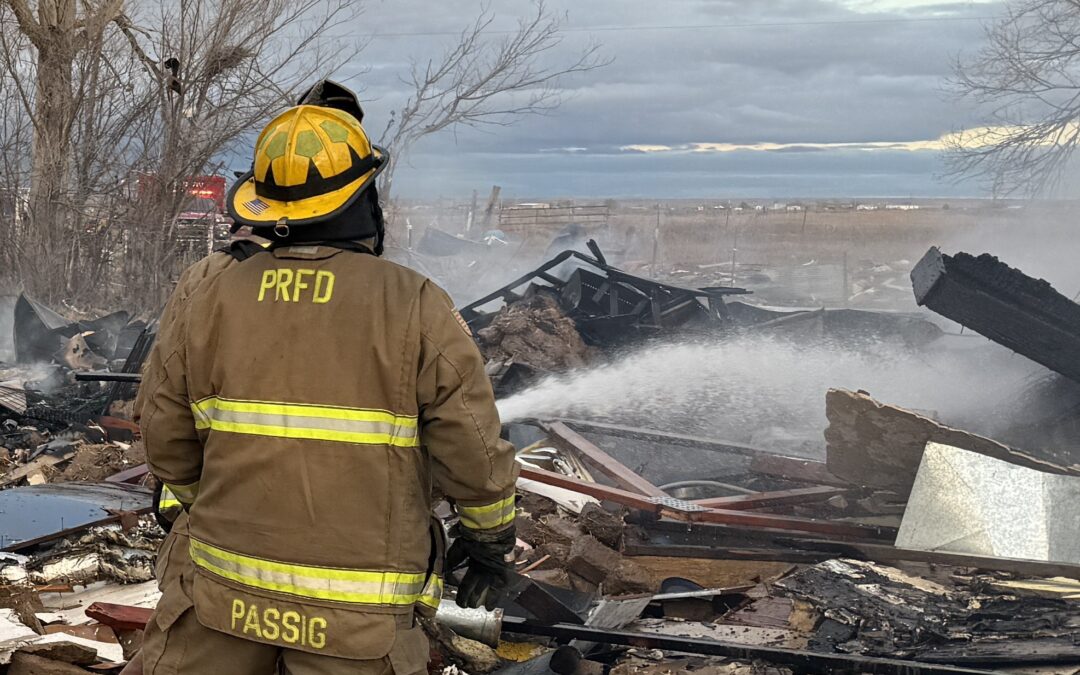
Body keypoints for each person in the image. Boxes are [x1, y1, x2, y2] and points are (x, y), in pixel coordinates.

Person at [134, 80, 518, 675]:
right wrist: (489, 539)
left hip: (220, 600)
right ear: (363, 198)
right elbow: (471, 447)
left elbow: (162, 429)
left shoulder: (208, 292)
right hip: (359, 622)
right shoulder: (412, 303)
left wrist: (198, 501)